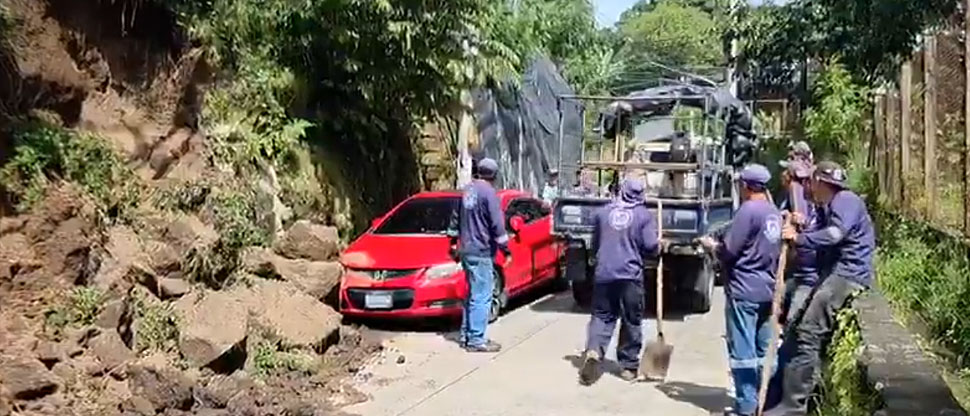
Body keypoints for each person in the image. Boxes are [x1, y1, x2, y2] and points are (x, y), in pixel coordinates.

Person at [765, 161, 875, 416]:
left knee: (809, 331)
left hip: (848, 275)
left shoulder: (844, 200)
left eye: (811, 182)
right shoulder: (827, 206)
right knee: (794, 331)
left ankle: (794, 406)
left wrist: (800, 238)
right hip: (831, 274)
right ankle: (777, 400)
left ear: (819, 182)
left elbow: (835, 235)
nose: (808, 187)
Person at [698, 164, 783, 416]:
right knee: (764, 349)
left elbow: (730, 250)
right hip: (767, 289)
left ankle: (746, 405)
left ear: (745, 186)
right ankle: (767, 400)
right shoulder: (773, 212)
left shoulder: (748, 211)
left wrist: (712, 246)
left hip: (744, 289)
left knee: (742, 351)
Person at [579, 177, 662, 385]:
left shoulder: (603, 213)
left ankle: (594, 350)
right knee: (631, 319)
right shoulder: (643, 216)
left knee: (602, 315)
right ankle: (628, 366)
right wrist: (661, 244)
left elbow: (595, 243)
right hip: (630, 276)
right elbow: (651, 246)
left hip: (604, 273)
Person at [456, 158, 512, 353]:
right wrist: (505, 248)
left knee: (472, 294)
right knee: (482, 295)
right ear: (494, 175)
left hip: (466, 249)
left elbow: (456, 219)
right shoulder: (489, 193)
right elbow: (497, 224)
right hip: (481, 250)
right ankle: (477, 340)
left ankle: (466, 335)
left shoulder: (467, 190)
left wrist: (453, 243)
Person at [777, 158, 820, 329]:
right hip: (799, 263)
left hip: (807, 268)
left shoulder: (802, 194)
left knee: (793, 312)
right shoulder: (796, 192)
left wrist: (801, 224)